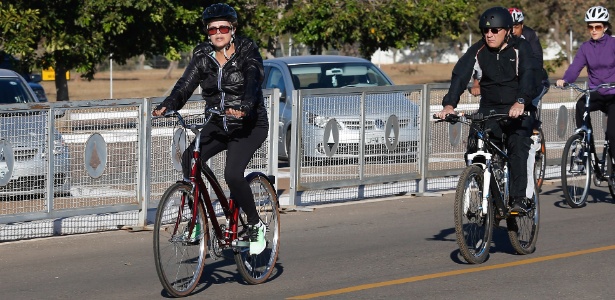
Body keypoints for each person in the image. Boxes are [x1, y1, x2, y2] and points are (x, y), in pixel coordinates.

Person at [152, 3, 269, 255]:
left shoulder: (247, 50)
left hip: (248, 124)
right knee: (189, 160)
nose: (218, 33)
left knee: (233, 175)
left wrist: (245, 105)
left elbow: (253, 78)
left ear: (233, 29)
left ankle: (254, 224)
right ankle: (197, 221)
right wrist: (168, 105)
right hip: (217, 123)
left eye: (223, 27)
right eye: (212, 29)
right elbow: (185, 84)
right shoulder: (203, 55)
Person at [435, 6, 539, 212]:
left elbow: (529, 74)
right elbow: (460, 75)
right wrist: (449, 105)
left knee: (517, 146)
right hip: (489, 108)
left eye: (495, 30)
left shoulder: (521, 48)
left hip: (518, 107)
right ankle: (486, 189)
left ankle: (519, 199)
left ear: (507, 30)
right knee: (475, 146)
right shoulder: (478, 50)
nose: (489, 35)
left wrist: (520, 101)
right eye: (485, 30)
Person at [556, 6, 615, 156]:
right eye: (590, 27)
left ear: (605, 27)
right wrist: (565, 79)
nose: (594, 30)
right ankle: (587, 145)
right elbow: (575, 67)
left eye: (598, 26)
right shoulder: (585, 47)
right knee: (580, 105)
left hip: (613, 94)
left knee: (613, 134)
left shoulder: (613, 44)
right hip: (596, 92)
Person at [470, 7, 545, 101]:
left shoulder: (529, 35)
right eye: (510, 27)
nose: (513, 31)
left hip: (529, 80)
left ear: (522, 25)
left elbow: (537, 60)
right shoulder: (495, 38)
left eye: (516, 27)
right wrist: (476, 83)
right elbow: (482, 62)